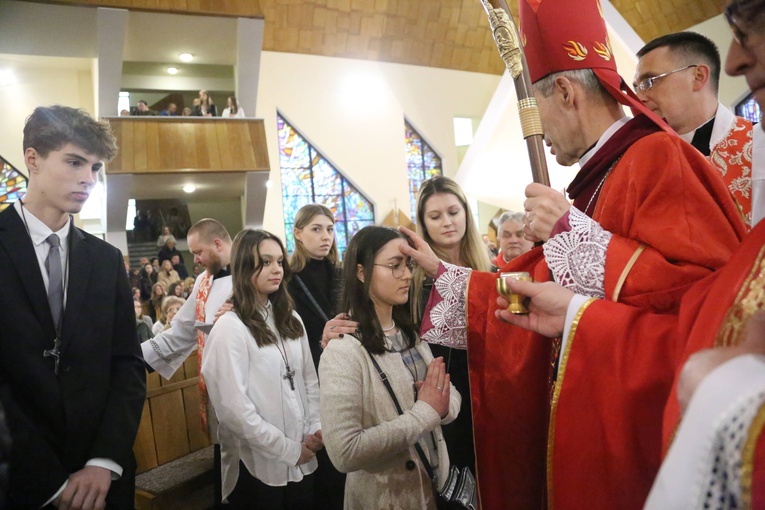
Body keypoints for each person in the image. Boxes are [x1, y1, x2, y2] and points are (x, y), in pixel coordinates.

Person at [401, 1, 749, 508]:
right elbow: (542, 296)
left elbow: (708, 301)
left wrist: (575, 236)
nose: (538, 131)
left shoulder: (655, 157)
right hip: (592, 416)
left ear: (564, 92)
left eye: (536, 112)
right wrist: (455, 282)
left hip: (636, 433)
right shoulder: (596, 178)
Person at [0, 105, 145, 508]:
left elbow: (127, 365)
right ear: (33, 159)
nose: (89, 179)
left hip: (102, 481)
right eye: (75, 162)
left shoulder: (105, 259)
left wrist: (103, 461)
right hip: (18, 479)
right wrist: (48, 481)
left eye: (96, 167)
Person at [319, 226, 461, 509]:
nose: (407, 275)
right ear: (362, 273)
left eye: (407, 265)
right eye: (394, 266)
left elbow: (450, 395)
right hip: (386, 496)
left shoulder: (409, 333)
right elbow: (344, 452)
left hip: (433, 485)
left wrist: (441, 407)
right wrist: (426, 411)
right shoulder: (344, 348)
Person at [202, 229, 321, 507]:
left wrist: (315, 429)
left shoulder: (291, 319)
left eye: (279, 261)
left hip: (304, 456)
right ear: (244, 266)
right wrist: (289, 450)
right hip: (259, 466)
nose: (276, 269)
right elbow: (234, 411)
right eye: (266, 262)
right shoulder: (230, 328)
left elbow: (309, 381)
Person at [141, 218, 233, 505]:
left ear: (217, 244)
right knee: (226, 464)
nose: (195, 260)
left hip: (258, 389)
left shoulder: (256, 270)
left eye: (198, 252)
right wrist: (134, 358)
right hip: (221, 391)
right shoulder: (204, 282)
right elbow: (180, 332)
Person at [635, 31, 754, 225]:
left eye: (650, 81)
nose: (639, 98)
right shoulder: (646, 166)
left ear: (698, 77)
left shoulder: (758, 143)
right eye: (637, 87)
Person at [286, 204, 345, 509]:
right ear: (298, 233)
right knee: (317, 441)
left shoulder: (342, 272)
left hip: (342, 365)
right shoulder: (287, 277)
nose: (326, 237)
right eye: (316, 229)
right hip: (306, 369)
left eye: (330, 229)